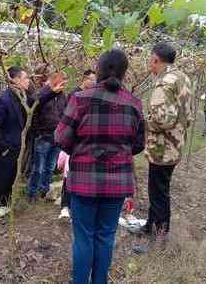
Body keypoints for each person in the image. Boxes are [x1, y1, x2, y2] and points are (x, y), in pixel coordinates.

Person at [55, 49, 145, 284]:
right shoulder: (134, 104)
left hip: (84, 181)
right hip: (117, 184)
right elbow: (137, 145)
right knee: (105, 236)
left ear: (99, 70)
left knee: (84, 238)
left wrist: (83, 149)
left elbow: (61, 137)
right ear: (125, 73)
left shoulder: (81, 99)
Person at [131, 42, 192, 250]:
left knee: (159, 192)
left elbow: (162, 120)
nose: (149, 63)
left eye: (150, 59)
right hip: (174, 144)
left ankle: (159, 236)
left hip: (162, 147)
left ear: (155, 59)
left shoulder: (164, 82)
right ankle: (151, 225)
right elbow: (188, 115)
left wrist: (143, 122)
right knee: (158, 188)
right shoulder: (182, 77)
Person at [0, 66, 66, 221]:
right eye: (25, 78)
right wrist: (6, 147)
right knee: (1, 178)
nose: (28, 81)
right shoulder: (4, 99)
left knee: (10, 178)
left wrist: (51, 90)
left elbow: (35, 100)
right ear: (15, 80)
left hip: (16, 146)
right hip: (6, 148)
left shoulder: (20, 96)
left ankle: (5, 205)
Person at [28, 72, 68, 203]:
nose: (64, 85)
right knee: (38, 168)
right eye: (62, 82)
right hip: (43, 137)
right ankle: (32, 193)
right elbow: (33, 105)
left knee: (50, 167)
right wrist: (38, 132)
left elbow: (65, 113)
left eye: (65, 82)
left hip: (57, 138)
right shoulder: (42, 94)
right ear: (54, 81)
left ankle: (44, 191)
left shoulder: (63, 97)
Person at [57, 150, 70, 219]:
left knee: (66, 192)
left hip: (69, 173)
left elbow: (62, 156)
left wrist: (60, 166)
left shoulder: (70, 142)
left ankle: (65, 208)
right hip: (83, 175)